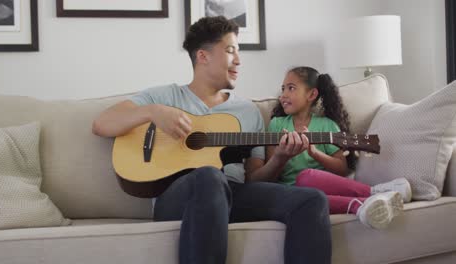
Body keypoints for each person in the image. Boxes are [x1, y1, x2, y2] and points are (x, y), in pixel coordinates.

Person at [92, 17, 332, 264]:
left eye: (238, 52)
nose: (238, 60)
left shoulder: (247, 111)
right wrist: (153, 111)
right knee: (210, 175)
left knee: (312, 199)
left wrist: (280, 158)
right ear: (203, 56)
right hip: (179, 197)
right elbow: (102, 124)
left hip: (234, 193)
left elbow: (255, 178)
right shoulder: (164, 96)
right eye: (230, 51)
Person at [251, 66, 412, 229]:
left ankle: (374, 192)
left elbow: (341, 169)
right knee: (309, 196)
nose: (283, 95)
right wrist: (282, 155)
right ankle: (366, 203)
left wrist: (314, 152)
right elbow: (270, 178)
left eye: (291, 88)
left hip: (323, 185)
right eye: (283, 89)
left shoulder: (327, 125)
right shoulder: (276, 124)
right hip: (294, 194)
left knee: (306, 177)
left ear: (311, 94)